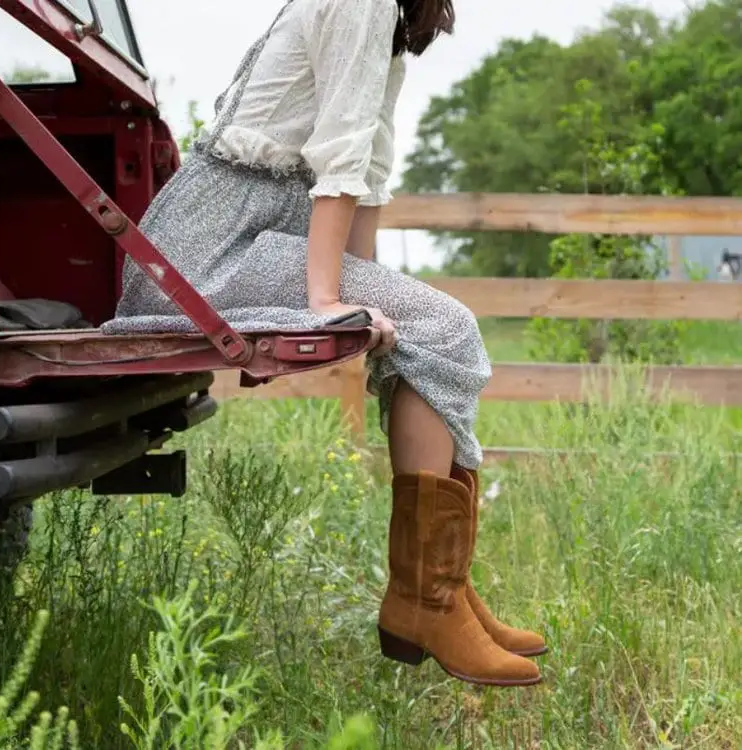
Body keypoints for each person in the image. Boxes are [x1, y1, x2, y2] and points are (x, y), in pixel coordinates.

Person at [106, 0, 545, 687]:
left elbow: (370, 160)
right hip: (206, 252)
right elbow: (339, 148)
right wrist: (327, 302)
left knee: (428, 331)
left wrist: (366, 283)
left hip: (262, 236)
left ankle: (443, 591)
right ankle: (424, 601)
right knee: (448, 326)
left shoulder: (394, 15)